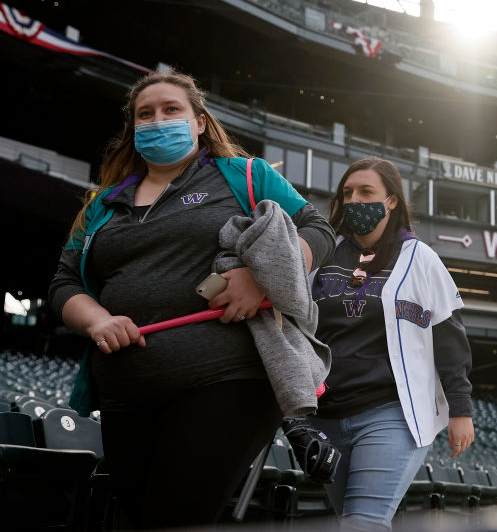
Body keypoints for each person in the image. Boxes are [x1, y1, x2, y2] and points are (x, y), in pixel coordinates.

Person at [48, 71, 335, 529]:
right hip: (126, 395)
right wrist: (97, 319)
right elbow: (65, 282)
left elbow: (319, 229)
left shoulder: (244, 175)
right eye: (146, 114)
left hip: (227, 379)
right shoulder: (103, 205)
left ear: (199, 122)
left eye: (171, 110)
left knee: (174, 517)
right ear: (133, 128)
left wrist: (261, 280)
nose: (158, 120)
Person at [307, 157, 474, 530]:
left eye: (366, 192)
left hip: (389, 413)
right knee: (347, 521)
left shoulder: (421, 258)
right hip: (325, 414)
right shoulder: (323, 254)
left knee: (363, 522)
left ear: (392, 201)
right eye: (347, 193)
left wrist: (460, 409)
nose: (354, 201)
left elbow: (450, 340)